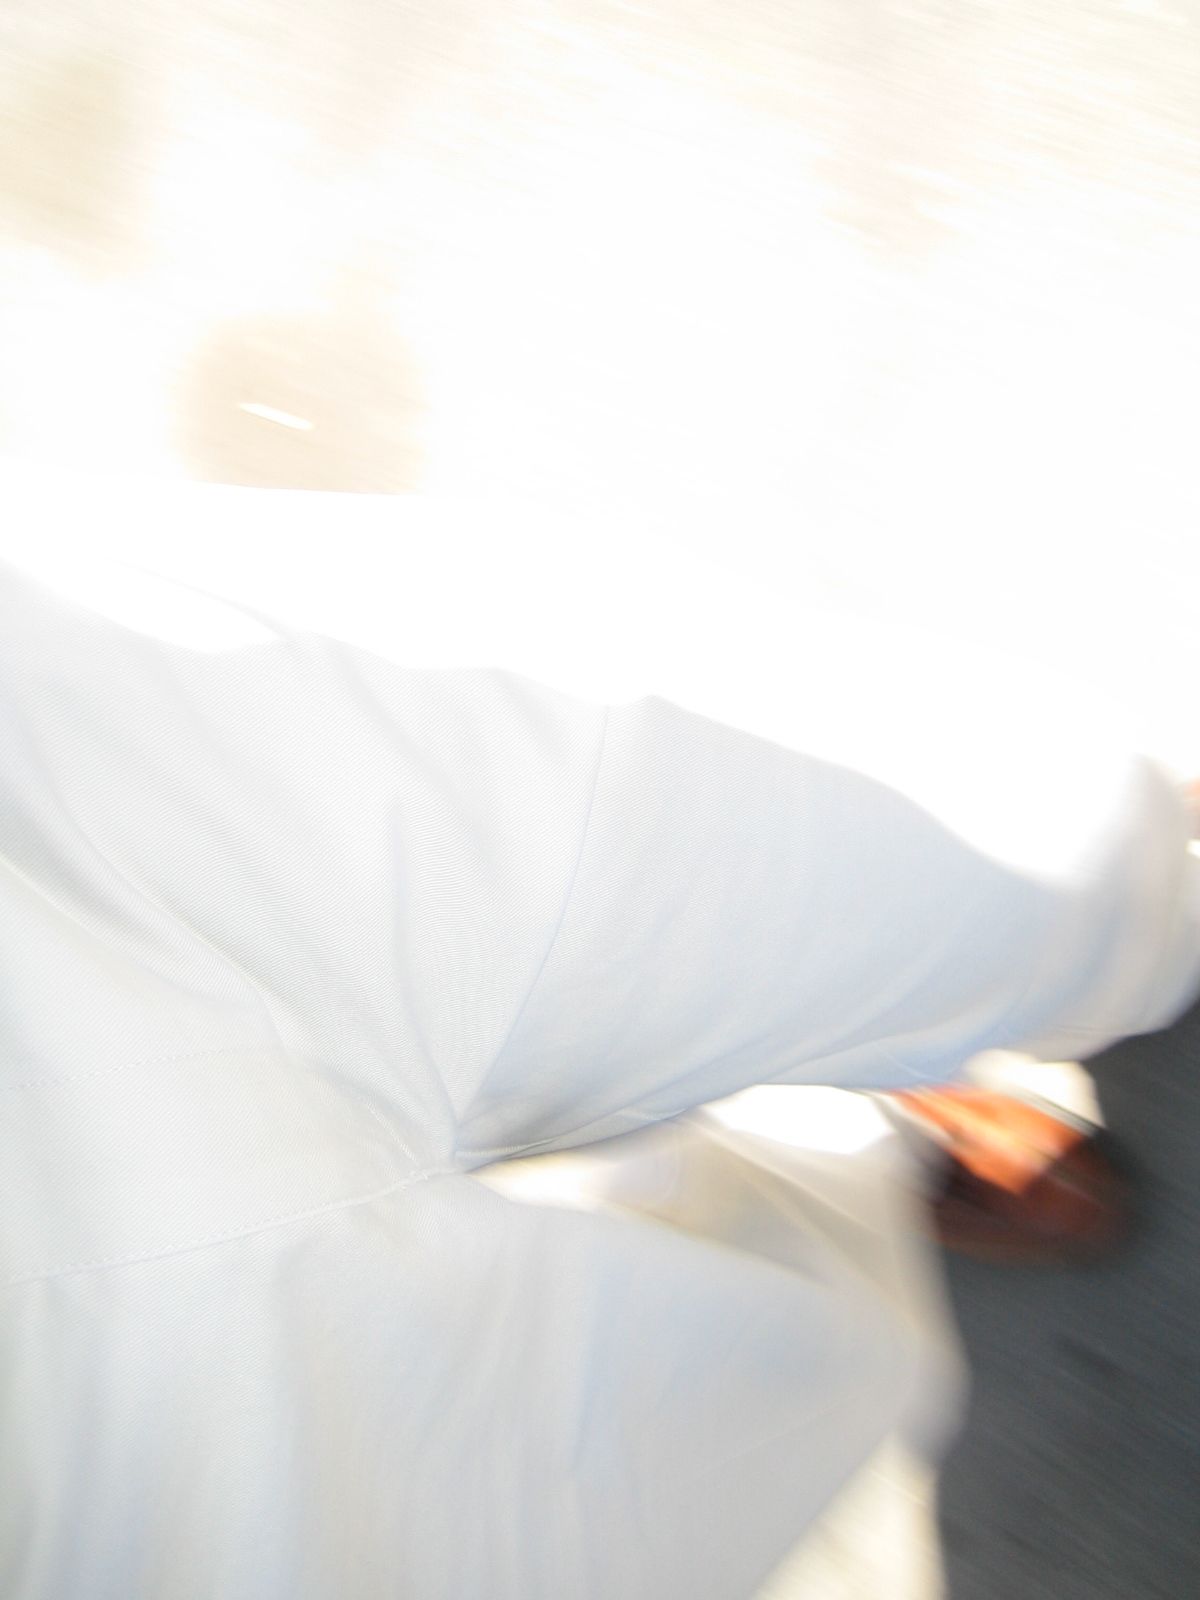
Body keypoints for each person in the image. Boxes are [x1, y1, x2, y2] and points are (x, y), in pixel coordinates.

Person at [3, 531, 1198, 1600]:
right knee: (717, 1411)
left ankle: (1127, 903)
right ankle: (830, 1147)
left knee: (1000, 835)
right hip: (74, 1443)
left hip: (73, 802)